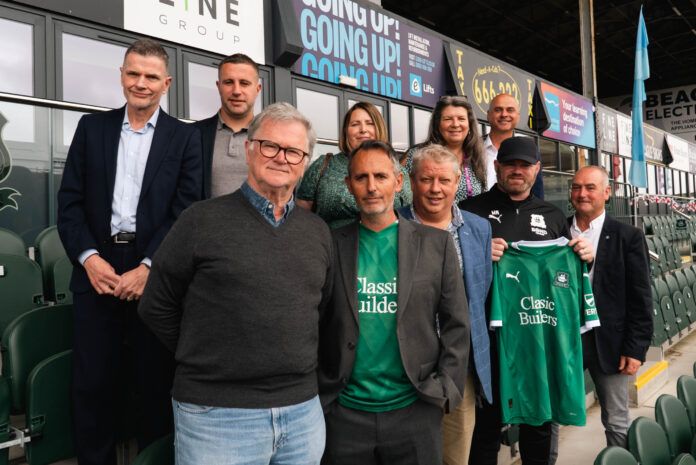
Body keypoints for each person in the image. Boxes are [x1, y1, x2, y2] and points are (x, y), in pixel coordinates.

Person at [139, 102, 332, 465]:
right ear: (249, 149)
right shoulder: (200, 220)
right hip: (218, 415)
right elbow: (156, 305)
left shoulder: (318, 232)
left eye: (293, 151)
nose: (281, 158)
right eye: (269, 145)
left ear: (305, 161)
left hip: (302, 415)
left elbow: (321, 310)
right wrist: (207, 352)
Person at [57, 39, 202, 465]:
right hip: (96, 270)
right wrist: (88, 258)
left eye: (151, 76)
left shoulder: (185, 137)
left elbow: (186, 211)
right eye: (133, 73)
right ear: (122, 76)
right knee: (91, 385)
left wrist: (150, 267)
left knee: (153, 384)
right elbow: (69, 204)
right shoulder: (91, 129)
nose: (141, 83)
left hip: (154, 274)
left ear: (166, 83)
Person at [319, 140, 470, 464]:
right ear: (349, 185)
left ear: (398, 181)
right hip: (345, 416)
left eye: (380, 176)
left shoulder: (436, 244)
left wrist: (445, 391)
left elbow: (457, 324)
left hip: (415, 410)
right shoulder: (331, 245)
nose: (371, 187)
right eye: (361, 178)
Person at [459, 136, 593, 465]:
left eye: (525, 165)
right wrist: (477, 256)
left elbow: (564, 274)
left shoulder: (552, 216)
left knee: (539, 426)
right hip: (486, 341)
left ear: (536, 169)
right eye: (510, 164)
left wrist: (585, 258)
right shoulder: (469, 210)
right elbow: (449, 269)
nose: (517, 171)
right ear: (496, 167)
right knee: (485, 428)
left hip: (537, 336)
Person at [398, 144, 493, 465]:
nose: (435, 189)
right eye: (426, 180)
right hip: (403, 368)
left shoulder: (479, 229)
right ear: (412, 182)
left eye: (444, 181)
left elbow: (481, 295)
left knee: (455, 456)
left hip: (459, 369)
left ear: (457, 184)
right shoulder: (392, 228)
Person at [569, 165, 653, 448]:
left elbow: (640, 296)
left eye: (590, 187)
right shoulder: (556, 229)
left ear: (607, 192)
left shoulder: (628, 236)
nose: (582, 194)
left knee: (616, 420)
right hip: (564, 340)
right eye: (576, 187)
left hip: (611, 343)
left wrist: (635, 347)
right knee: (550, 415)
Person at [296, 102, 412, 228]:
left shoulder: (398, 170)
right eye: (355, 124)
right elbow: (301, 215)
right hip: (329, 244)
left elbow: (409, 215)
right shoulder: (323, 166)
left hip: (385, 244)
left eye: (370, 123)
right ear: (346, 132)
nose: (363, 129)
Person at [194, 53, 261, 198]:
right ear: (219, 86)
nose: (236, 91)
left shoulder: (272, 138)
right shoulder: (193, 134)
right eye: (229, 82)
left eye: (244, 83)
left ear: (258, 89)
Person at [404, 96, 487, 202]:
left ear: (469, 125)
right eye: (448, 119)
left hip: (468, 218)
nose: (455, 124)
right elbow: (403, 198)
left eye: (461, 119)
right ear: (438, 124)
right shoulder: (417, 155)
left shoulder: (476, 158)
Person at [484, 93, 544, 198]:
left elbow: (537, 196)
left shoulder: (530, 152)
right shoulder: (471, 148)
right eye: (498, 110)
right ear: (488, 115)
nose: (504, 114)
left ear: (518, 116)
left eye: (510, 110)